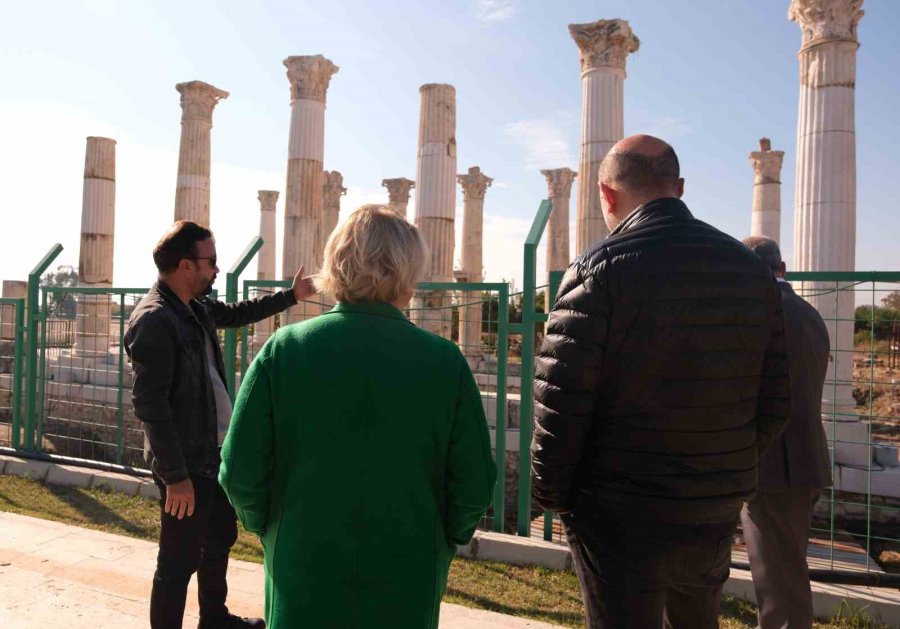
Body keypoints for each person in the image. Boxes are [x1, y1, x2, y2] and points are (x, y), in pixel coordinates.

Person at [531, 134, 791, 629]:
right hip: (711, 506)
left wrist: (556, 500)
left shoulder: (596, 270)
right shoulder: (749, 271)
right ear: (681, 187)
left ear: (606, 195)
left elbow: (561, 407)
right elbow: (775, 400)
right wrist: (722, 470)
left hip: (616, 512)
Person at [219, 205, 496, 629]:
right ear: (409, 271)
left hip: (302, 571)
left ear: (336, 264)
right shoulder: (445, 362)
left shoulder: (284, 350)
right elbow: (474, 483)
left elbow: (239, 471)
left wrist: (271, 528)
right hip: (409, 574)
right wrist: (442, 542)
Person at [125, 220, 316, 629]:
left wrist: (291, 297)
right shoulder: (154, 320)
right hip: (185, 465)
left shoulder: (193, 307)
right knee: (177, 562)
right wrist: (176, 477)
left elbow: (237, 312)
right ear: (185, 266)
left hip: (213, 456)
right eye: (210, 261)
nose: (216, 269)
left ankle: (214, 619)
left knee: (218, 542)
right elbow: (149, 405)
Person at [741, 236, 832, 629]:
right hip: (805, 458)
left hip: (773, 466)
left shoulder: (758, 313)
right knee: (786, 569)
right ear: (783, 269)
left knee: (778, 580)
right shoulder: (810, 314)